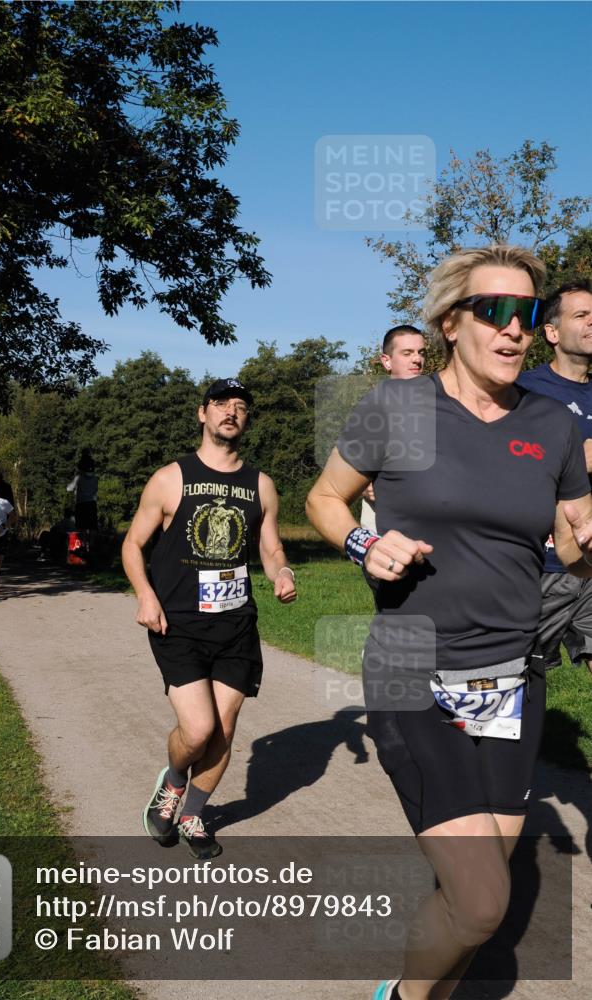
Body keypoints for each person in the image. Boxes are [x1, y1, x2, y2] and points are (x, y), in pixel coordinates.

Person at [306, 245, 592, 1000]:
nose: (513, 330)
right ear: (450, 322)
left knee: (478, 901)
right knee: (482, 901)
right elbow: (325, 500)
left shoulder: (552, 425)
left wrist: (588, 543)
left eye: (526, 315)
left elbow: (569, 548)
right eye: (494, 311)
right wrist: (367, 543)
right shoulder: (396, 409)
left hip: (511, 677)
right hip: (414, 669)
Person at [122, 378, 297, 859]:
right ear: (203, 414)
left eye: (241, 406)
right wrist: (145, 595)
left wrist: (281, 571)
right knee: (198, 731)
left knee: (224, 725)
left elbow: (270, 546)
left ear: (247, 420)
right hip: (177, 623)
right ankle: (174, 780)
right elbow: (132, 544)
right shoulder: (170, 478)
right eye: (221, 403)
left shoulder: (261, 485)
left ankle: (195, 813)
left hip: (236, 623)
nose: (231, 412)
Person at [517, 280, 592, 675]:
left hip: (591, 564)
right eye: (582, 315)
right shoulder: (524, 391)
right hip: (540, 566)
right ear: (551, 332)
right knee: (524, 675)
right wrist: (578, 458)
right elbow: (498, 464)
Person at [360, 326, 428, 531]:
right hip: (382, 521)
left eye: (421, 353)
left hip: (430, 520)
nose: (417, 359)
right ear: (386, 361)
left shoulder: (440, 404)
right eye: (407, 353)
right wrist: (362, 485)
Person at [67, 448, 98, 552]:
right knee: (92, 526)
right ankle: (92, 546)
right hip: (92, 503)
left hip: (81, 503)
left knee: (82, 527)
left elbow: (69, 488)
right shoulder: (95, 478)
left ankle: (84, 546)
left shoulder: (79, 477)